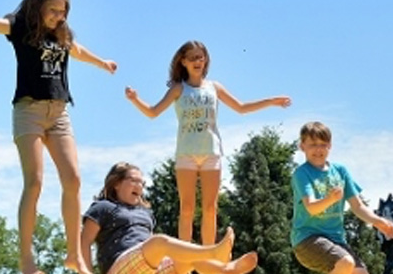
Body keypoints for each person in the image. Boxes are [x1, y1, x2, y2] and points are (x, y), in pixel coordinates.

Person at [0, 0, 116, 274]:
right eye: (53, 10)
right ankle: (26, 257)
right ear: (38, 7)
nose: (58, 16)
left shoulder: (62, 33)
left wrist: (102, 62)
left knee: (73, 179)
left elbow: (78, 51)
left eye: (62, 12)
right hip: (29, 111)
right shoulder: (21, 27)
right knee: (34, 182)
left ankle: (75, 253)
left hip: (59, 111)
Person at [124, 41, 291, 245]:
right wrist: (135, 99)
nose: (198, 61)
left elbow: (241, 107)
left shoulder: (214, 87)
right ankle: (184, 256)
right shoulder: (178, 89)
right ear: (183, 61)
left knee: (211, 208)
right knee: (187, 208)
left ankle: (208, 255)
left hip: (211, 152)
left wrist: (272, 101)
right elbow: (152, 112)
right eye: (193, 58)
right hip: (186, 153)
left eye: (201, 57)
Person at [81, 162, 257, 274]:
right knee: (159, 242)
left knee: (187, 257)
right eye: (133, 181)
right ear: (116, 183)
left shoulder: (145, 213)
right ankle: (213, 251)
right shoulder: (104, 207)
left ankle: (226, 269)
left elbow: (147, 253)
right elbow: (84, 241)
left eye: (142, 183)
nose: (140, 187)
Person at [290, 121, 393, 274]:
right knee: (345, 262)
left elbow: (357, 206)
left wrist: (378, 221)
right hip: (307, 240)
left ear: (330, 146)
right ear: (302, 146)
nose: (318, 150)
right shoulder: (302, 174)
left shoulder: (340, 171)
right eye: (312, 145)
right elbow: (311, 207)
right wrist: (330, 199)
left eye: (322, 144)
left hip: (336, 240)